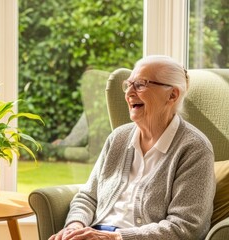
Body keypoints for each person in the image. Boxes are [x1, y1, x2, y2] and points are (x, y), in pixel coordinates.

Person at [50, 55, 215, 240]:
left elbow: (185, 227)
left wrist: (114, 238)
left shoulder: (195, 149)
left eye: (140, 84)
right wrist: (74, 227)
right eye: (128, 84)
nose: (129, 93)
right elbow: (88, 196)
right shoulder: (118, 138)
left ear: (172, 95)